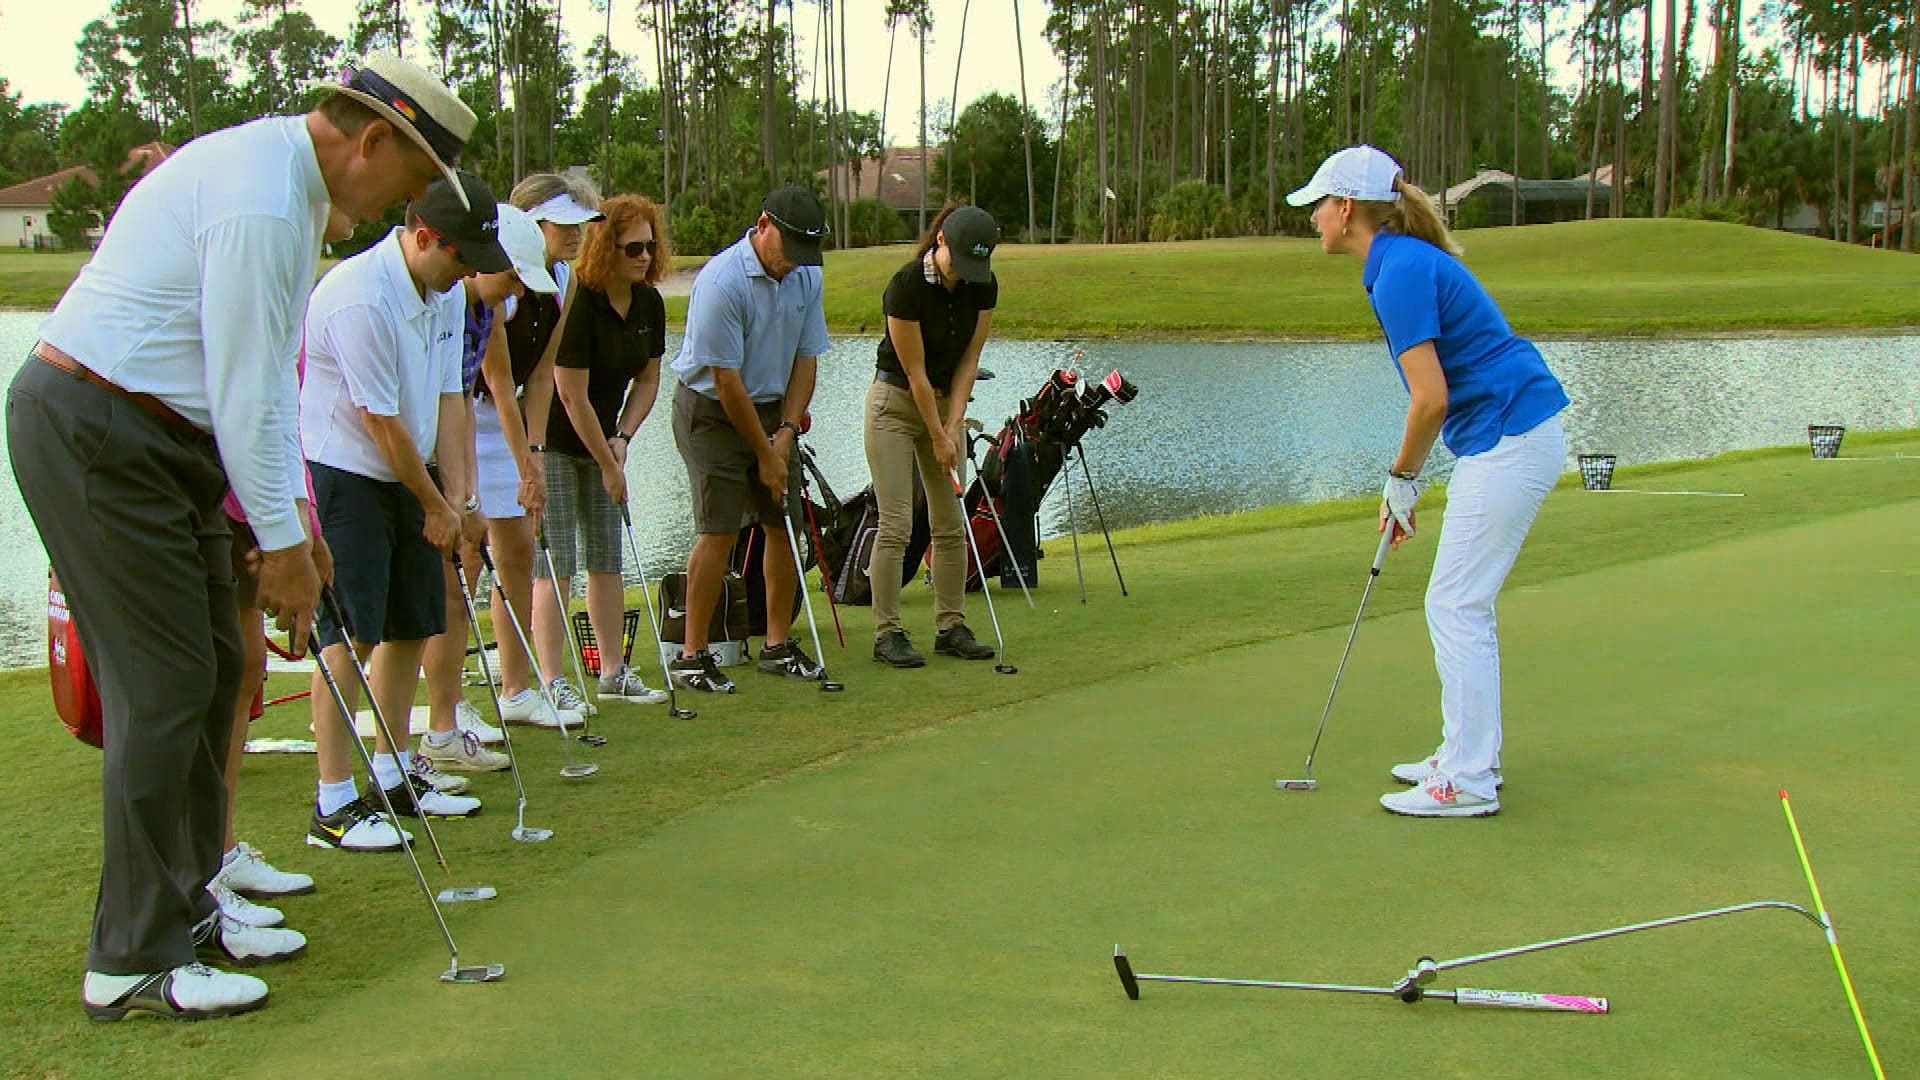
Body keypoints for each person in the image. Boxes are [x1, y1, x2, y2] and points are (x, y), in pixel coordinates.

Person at [9, 55, 471, 1022]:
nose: (404, 208)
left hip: (159, 438)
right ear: (372, 140)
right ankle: (131, 959)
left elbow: (254, 392)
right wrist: (287, 549)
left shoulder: (290, 187)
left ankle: (192, 905)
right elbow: (247, 386)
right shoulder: (266, 200)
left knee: (217, 669)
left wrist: (290, 526)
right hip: (99, 429)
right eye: (411, 183)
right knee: (167, 683)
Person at [1286, 145, 1569, 819]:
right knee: (1459, 601)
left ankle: (1468, 779)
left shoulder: (1401, 270)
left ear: (1347, 209)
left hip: (1513, 434)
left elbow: (1429, 398)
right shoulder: (1399, 263)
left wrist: (1402, 481)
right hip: (1511, 433)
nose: (1314, 219)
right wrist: (1407, 482)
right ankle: (1464, 754)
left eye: (1319, 206)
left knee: (1455, 605)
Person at [300, 170, 510, 852]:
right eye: (461, 257)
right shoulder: (357, 297)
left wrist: (459, 499)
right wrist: (435, 503)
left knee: (411, 624)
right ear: (424, 237)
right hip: (346, 472)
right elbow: (380, 421)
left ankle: (392, 778)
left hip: (410, 469)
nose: (468, 273)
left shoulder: (446, 288)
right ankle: (333, 805)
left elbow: (451, 397)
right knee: (352, 634)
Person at [209, 206, 359, 935]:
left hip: (250, 506)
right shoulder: (247, 271)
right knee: (207, 678)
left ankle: (219, 851)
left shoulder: (292, 295)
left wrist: (304, 530)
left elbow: (283, 419)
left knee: (240, 675)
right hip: (209, 501)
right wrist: (272, 537)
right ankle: (195, 876)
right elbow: (232, 409)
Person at [413, 202, 565, 776]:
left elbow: (509, 388)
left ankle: (459, 715)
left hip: (453, 447)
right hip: (421, 450)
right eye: (511, 278)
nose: (518, 293)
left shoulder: (493, 308)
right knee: (449, 583)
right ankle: (437, 720)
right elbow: (462, 398)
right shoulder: (456, 302)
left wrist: (528, 462)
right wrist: (463, 499)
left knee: (464, 581)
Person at [667, 186, 831, 693]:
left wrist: (784, 433)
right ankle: (693, 656)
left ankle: (776, 646)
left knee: (785, 525)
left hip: (773, 408)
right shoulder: (722, 281)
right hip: (712, 411)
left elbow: (807, 359)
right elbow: (725, 381)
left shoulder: (806, 274)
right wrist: (764, 452)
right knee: (720, 530)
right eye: (787, 249)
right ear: (763, 226)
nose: (792, 265)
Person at [540, 194, 674, 705]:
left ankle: (613, 672)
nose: (644, 256)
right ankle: (553, 681)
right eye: (632, 247)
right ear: (605, 249)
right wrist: (605, 461)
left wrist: (622, 438)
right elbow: (568, 393)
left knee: (606, 558)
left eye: (650, 245)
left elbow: (648, 379)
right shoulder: (580, 302)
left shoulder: (648, 304)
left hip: (605, 439)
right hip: (554, 438)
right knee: (557, 564)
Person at [865, 203, 1001, 668]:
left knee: (949, 522)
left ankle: (951, 626)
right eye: (958, 263)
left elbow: (969, 358)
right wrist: (938, 434)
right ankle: (888, 634)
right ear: (940, 240)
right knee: (898, 522)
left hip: (945, 408)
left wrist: (954, 421)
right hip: (896, 405)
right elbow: (915, 373)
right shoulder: (904, 288)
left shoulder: (983, 284)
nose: (964, 275)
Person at [497, 173, 602, 724]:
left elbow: (539, 377)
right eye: (567, 224)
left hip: (516, 417)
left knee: (517, 553)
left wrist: (535, 452)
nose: (578, 235)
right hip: (473, 415)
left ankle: (519, 689)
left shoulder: (563, 279)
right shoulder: (498, 278)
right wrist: (522, 459)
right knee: (465, 564)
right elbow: (493, 376)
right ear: (531, 221)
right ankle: (453, 711)